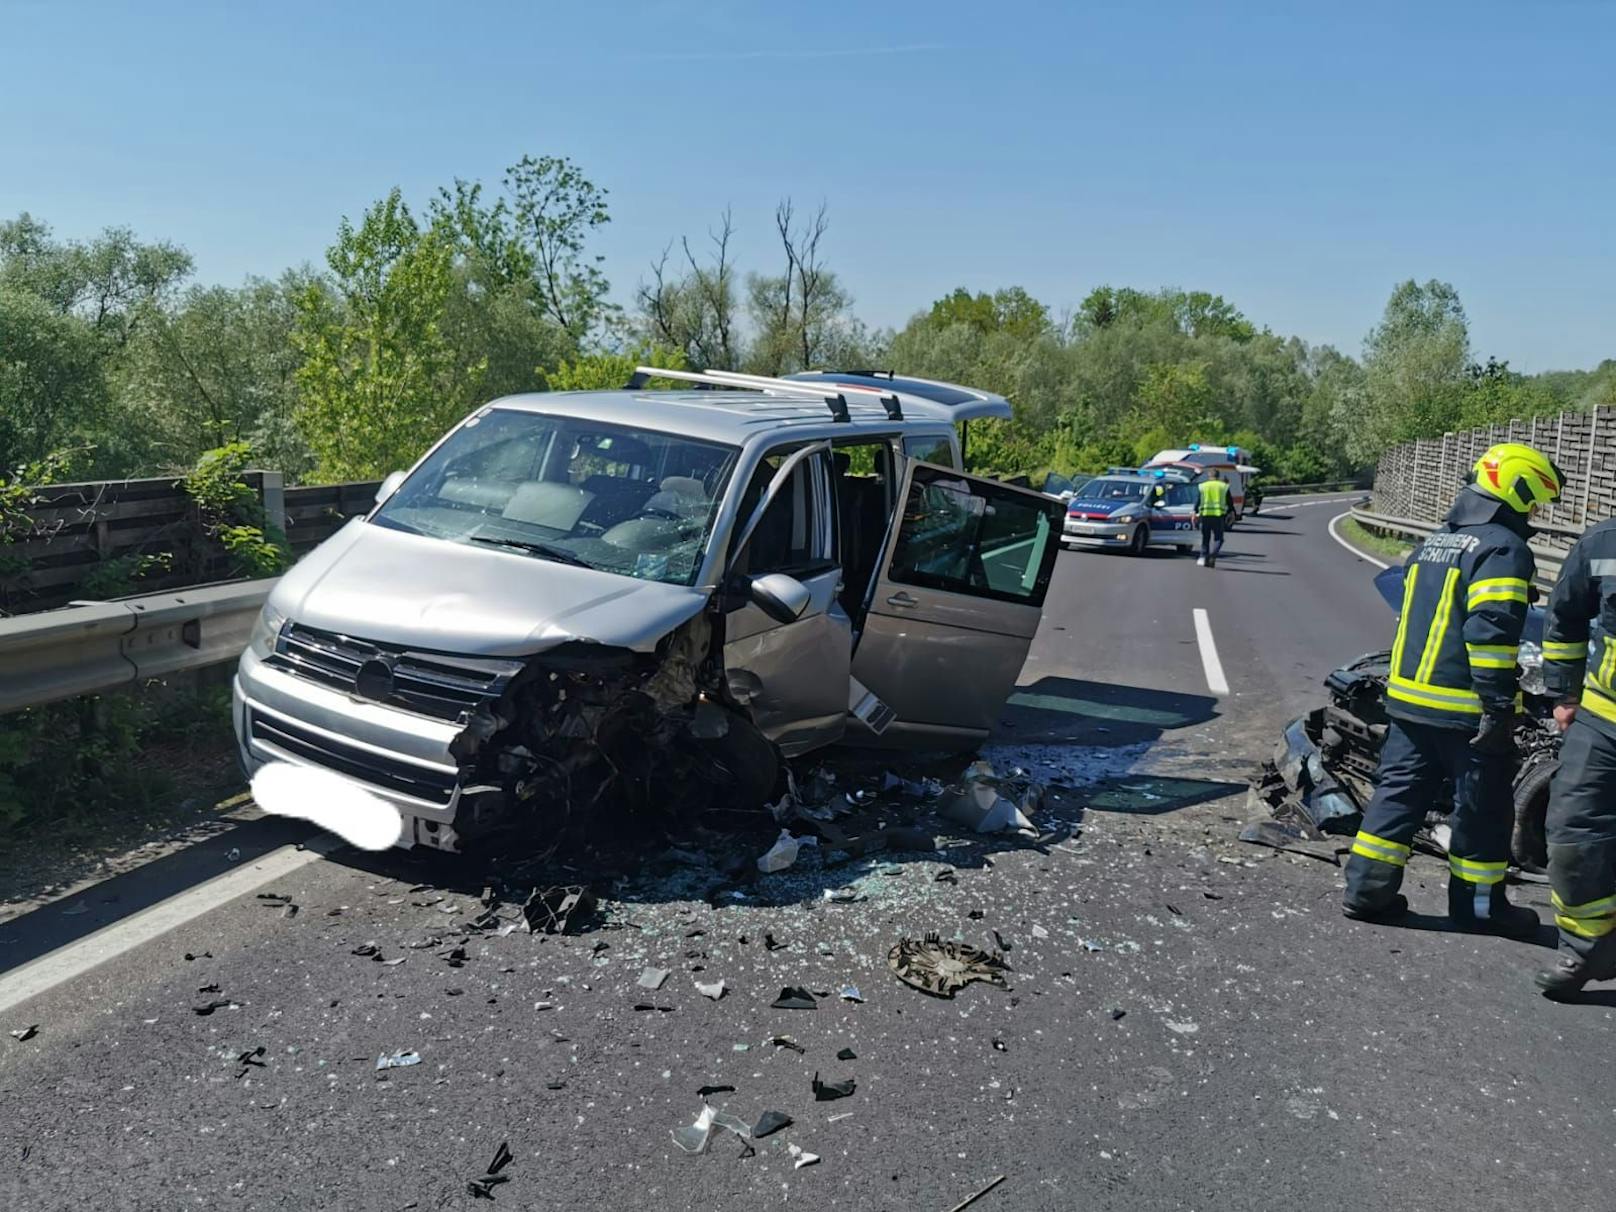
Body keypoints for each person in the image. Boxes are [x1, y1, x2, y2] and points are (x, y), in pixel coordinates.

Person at [1342, 442, 1564, 935]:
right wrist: (1499, 705)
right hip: (1464, 711)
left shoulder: (1434, 543)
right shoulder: (1503, 549)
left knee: (1396, 797)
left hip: (1408, 702)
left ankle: (1365, 892)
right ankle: (1480, 909)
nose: (1534, 513)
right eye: (1534, 501)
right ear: (1516, 490)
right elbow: (1489, 632)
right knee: (1483, 812)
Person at [1533, 514, 1616, 999]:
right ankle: (1587, 947)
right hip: (1604, 720)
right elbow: (1564, 616)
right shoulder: (1604, 541)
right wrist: (1564, 695)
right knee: (1572, 835)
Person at [1194, 471, 1230, 567]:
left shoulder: (1203, 486)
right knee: (1219, 538)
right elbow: (1229, 502)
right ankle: (1213, 555)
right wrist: (1231, 514)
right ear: (1218, 476)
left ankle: (1203, 556)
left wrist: (1195, 512)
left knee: (1206, 538)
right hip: (1218, 516)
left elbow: (1198, 501)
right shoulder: (1224, 486)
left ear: (1209, 475)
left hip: (1205, 515)